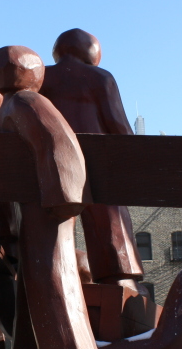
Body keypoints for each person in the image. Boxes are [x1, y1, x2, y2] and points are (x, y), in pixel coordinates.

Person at [0, 45, 98, 349]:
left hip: (49, 207)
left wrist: (63, 196)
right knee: (31, 279)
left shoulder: (27, 102)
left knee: (51, 272)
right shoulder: (11, 106)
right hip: (35, 207)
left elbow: (58, 141)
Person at [40, 29, 143, 289]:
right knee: (110, 212)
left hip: (54, 161)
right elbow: (117, 125)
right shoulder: (100, 77)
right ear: (90, 50)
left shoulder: (41, 78)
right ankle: (119, 274)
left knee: (55, 220)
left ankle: (52, 269)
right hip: (96, 160)